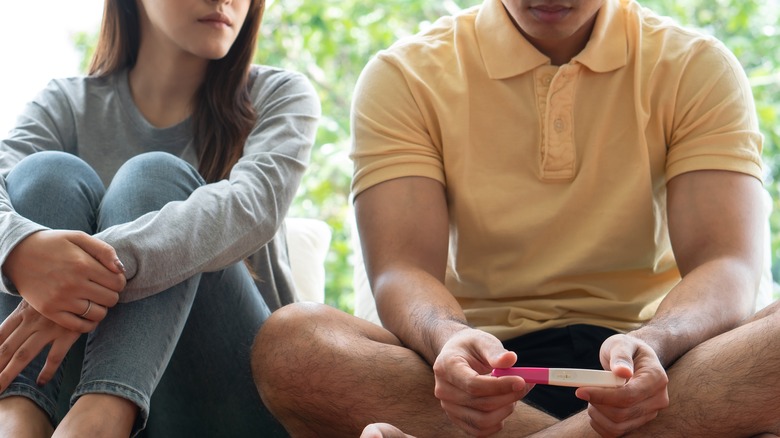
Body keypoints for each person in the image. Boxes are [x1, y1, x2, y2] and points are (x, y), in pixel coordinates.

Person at [251, 0, 780, 436]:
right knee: (293, 344)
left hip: (659, 366)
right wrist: (450, 343)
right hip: (481, 371)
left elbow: (728, 261)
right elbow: (401, 268)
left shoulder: (696, 64)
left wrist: (658, 341)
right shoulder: (404, 75)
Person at [0, 0, 319, 436]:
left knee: (153, 176)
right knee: (45, 175)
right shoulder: (66, 103)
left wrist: (79, 275)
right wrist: (20, 249)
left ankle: (101, 417)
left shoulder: (278, 95)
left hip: (228, 396)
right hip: (63, 397)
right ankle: (18, 415)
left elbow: (251, 207)